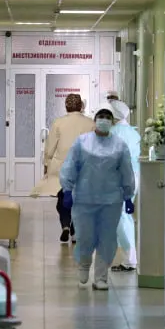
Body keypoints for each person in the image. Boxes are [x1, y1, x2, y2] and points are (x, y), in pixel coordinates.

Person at [59, 108, 137, 291]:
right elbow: (70, 165)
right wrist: (67, 190)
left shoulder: (119, 145)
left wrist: (128, 195)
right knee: (85, 236)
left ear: (112, 122)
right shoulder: (82, 142)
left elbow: (126, 171)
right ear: (95, 120)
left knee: (107, 239)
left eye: (108, 117)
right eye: (101, 117)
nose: (104, 120)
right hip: (84, 198)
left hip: (111, 200)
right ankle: (84, 267)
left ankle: (101, 277)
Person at [32, 93, 94, 242]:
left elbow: (50, 148)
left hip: (62, 167)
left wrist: (46, 165)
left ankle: (65, 225)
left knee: (63, 198)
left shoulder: (58, 123)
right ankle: (75, 231)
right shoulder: (90, 123)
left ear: (66, 107)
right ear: (81, 106)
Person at [107, 99, 143, 273]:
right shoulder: (134, 133)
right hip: (134, 176)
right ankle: (129, 257)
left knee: (121, 216)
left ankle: (130, 259)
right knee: (125, 215)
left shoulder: (113, 133)